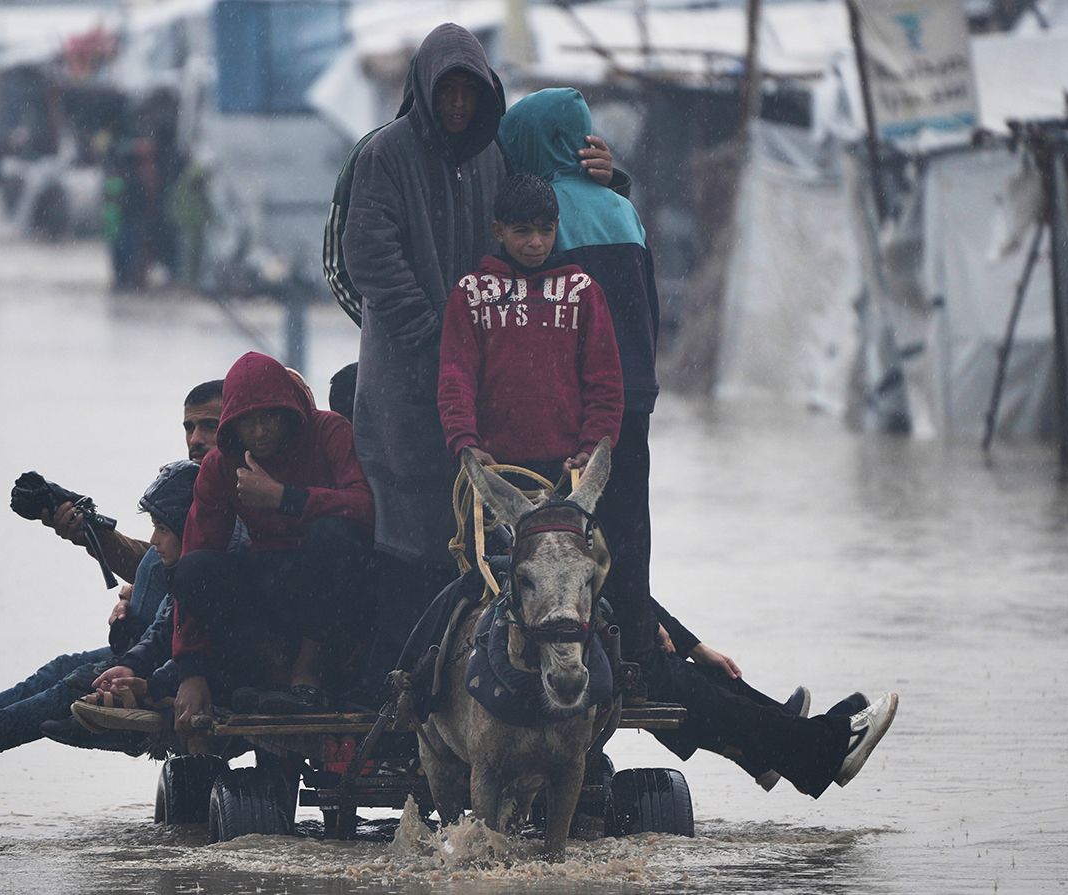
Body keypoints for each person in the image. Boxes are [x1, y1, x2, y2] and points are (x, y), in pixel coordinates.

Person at [497, 87, 898, 798]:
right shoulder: (619, 209)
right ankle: (773, 740)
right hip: (630, 425)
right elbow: (646, 320)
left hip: (567, 441)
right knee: (623, 597)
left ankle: (801, 748)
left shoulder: (530, 229)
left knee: (625, 637)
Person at [341, 23, 618, 701]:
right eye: (448, 92)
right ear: (425, 92)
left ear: (487, 95)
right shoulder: (384, 155)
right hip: (404, 386)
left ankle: (488, 692)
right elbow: (367, 254)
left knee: (488, 554)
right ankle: (399, 696)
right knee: (408, 542)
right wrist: (440, 337)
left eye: (470, 92)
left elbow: (548, 208)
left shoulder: (498, 159)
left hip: (485, 396)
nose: (459, 105)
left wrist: (614, 177)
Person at [0, 382, 225, 782]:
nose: (195, 440)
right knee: (57, 671)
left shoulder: (237, 499)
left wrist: (150, 671)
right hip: (152, 645)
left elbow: (199, 589)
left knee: (72, 683)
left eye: (210, 426)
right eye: (189, 427)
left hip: (180, 658)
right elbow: (159, 560)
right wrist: (89, 532)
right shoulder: (198, 490)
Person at [163, 352, 374, 724]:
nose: (259, 432)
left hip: (332, 589)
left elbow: (364, 507)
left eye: (269, 417)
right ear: (233, 425)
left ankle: (308, 671)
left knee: (334, 534)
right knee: (193, 570)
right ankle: (275, 670)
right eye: (247, 422)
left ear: (289, 413)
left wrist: (285, 498)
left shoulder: (329, 432)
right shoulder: (221, 464)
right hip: (270, 584)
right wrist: (191, 671)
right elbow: (198, 552)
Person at [438, 173, 623, 484]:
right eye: (522, 231)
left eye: (545, 231)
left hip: (568, 469)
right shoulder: (471, 293)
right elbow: (456, 378)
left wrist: (592, 448)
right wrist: (465, 442)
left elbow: (605, 381)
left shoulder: (582, 292)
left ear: (557, 228)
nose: (535, 243)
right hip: (492, 465)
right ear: (498, 230)